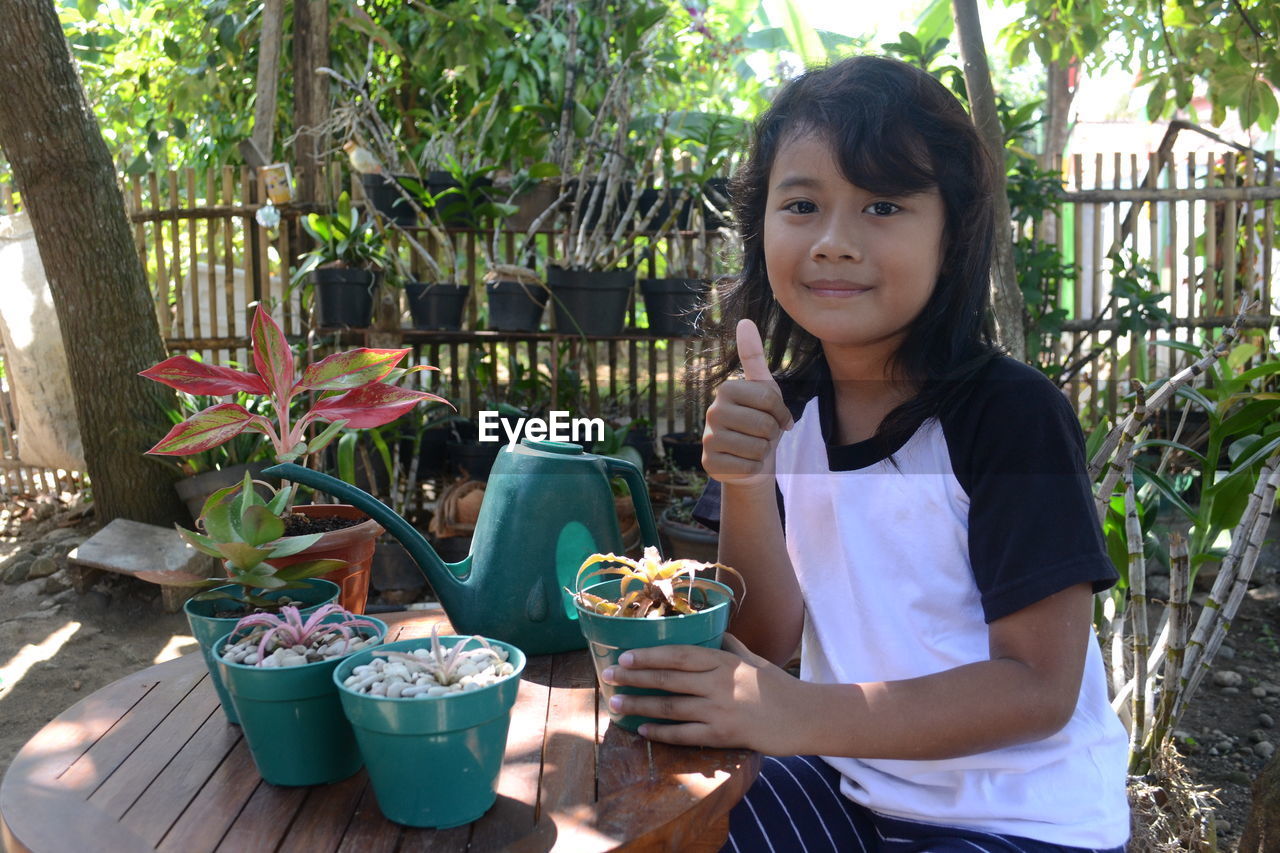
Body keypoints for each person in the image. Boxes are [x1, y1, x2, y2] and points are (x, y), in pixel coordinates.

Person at [598, 55, 1131, 852]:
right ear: (762, 228)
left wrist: (795, 711)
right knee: (649, 828)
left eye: (883, 205)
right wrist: (747, 482)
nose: (835, 242)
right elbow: (767, 638)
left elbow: (1038, 688)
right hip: (850, 785)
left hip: (1023, 820)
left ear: (952, 237)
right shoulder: (791, 409)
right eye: (803, 204)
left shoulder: (1011, 415)